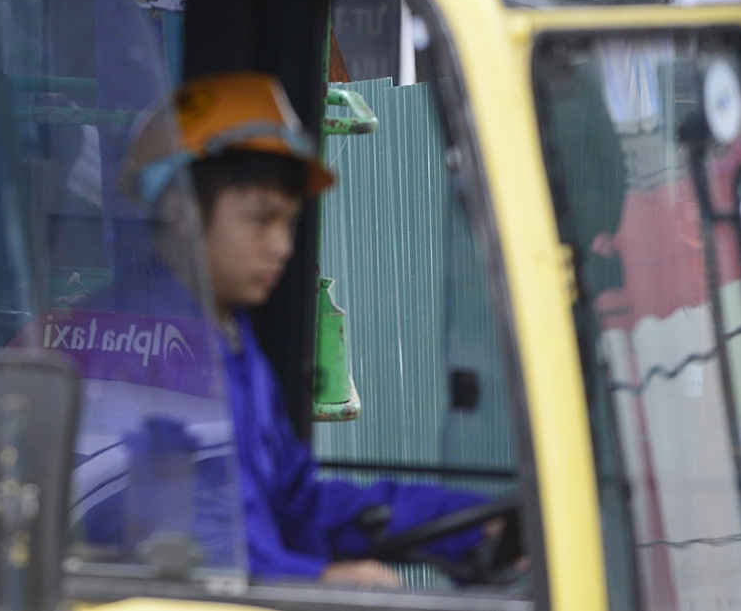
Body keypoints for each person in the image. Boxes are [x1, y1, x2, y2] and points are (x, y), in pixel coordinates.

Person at [125, 72, 492, 586]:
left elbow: (296, 502)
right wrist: (321, 581)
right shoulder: (139, 351)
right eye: (261, 219)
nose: (282, 247)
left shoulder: (230, 339)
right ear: (179, 207)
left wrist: (462, 525)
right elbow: (191, 553)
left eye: (290, 223)